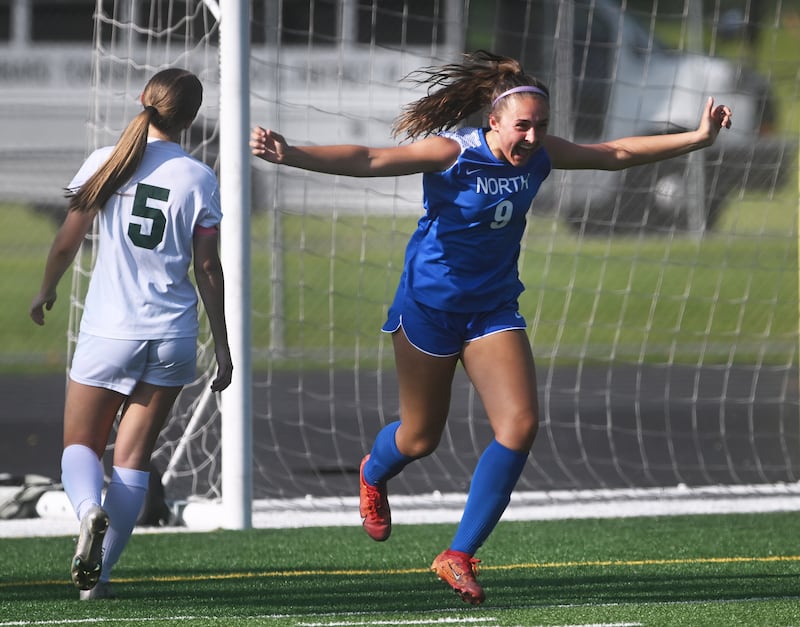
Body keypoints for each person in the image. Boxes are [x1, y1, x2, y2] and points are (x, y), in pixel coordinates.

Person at [250, 50, 732, 605]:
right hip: (429, 308)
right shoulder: (453, 152)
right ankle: (373, 470)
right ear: (494, 121)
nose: (531, 136)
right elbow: (371, 158)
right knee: (420, 437)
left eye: (541, 126)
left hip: (493, 309)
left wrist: (697, 139)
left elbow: (615, 152)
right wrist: (293, 154)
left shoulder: (540, 157)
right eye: (522, 125)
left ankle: (458, 554)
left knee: (520, 425)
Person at [30, 68, 233, 601]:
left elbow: (65, 242)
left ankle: (86, 509)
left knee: (79, 446)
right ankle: (97, 582)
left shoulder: (105, 161)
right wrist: (225, 346)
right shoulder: (198, 177)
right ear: (190, 119)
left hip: (110, 331)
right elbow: (209, 269)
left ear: (144, 100)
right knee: (132, 461)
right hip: (172, 336)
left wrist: (46, 290)